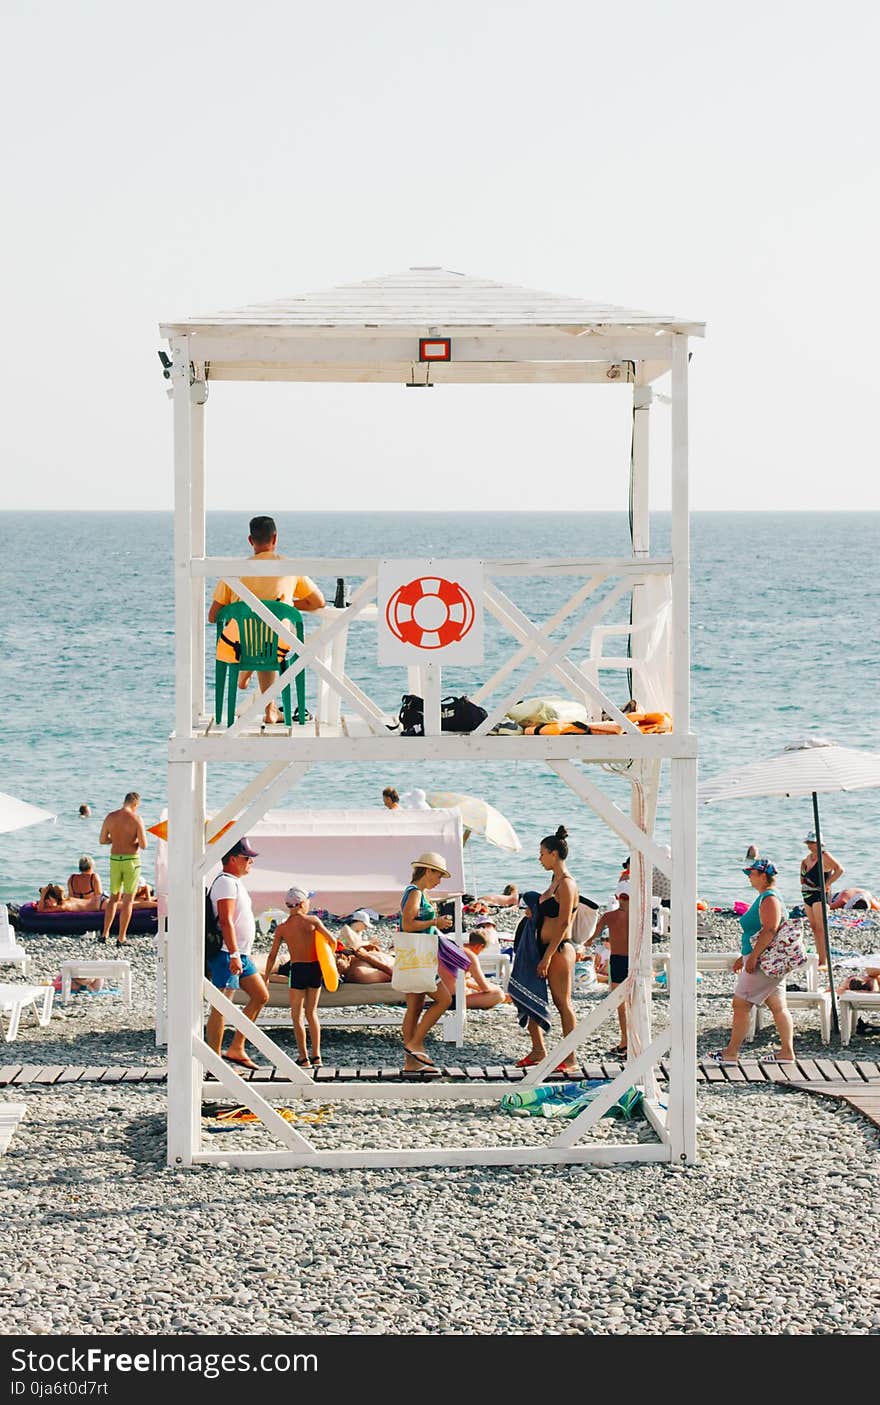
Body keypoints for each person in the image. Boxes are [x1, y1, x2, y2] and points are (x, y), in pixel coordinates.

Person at [207, 515, 325, 725]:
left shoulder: (234, 572)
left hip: (237, 645)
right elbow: (318, 602)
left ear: (250, 540)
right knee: (268, 636)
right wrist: (285, 606)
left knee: (256, 634)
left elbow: (213, 616)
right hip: (277, 641)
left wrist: (248, 608)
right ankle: (270, 710)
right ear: (275, 538)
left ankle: (249, 675)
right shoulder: (289, 568)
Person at [711, 857, 795, 1065]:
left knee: (740, 1004)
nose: (749, 877)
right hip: (767, 960)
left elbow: (770, 929)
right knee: (777, 1005)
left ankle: (731, 1053)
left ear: (763, 876)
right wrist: (745, 955)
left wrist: (753, 957)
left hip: (762, 962)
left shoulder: (769, 898)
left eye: (752, 874)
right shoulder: (767, 897)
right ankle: (786, 1052)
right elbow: (761, 932)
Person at [516, 826, 579, 1075]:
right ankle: (538, 1050)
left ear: (553, 854)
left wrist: (548, 956)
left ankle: (571, 1057)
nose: (539, 857)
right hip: (542, 949)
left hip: (558, 951)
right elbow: (549, 913)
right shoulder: (553, 882)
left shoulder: (566, 884)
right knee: (531, 996)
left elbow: (564, 923)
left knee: (562, 1003)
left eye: (542, 853)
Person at [206, 837, 268, 1070]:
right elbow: (225, 920)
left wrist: (239, 953)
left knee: (260, 995)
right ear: (232, 859)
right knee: (222, 1004)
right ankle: (213, 1061)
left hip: (240, 953)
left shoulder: (234, 882)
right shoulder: (225, 883)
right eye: (246, 857)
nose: (250, 861)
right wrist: (233, 953)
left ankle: (236, 1048)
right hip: (226, 953)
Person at [263, 886, 334, 1068]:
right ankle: (317, 1056)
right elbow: (331, 941)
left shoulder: (282, 928)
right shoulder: (313, 921)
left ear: (289, 905)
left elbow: (272, 955)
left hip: (298, 969)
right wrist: (329, 961)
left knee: (296, 1015)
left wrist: (266, 976)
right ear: (303, 903)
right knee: (312, 1013)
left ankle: (303, 1059)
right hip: (315, 968)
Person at [398, 852, 456, 1075]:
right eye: (438, 875)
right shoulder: (414, 893)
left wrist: (435, 922)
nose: (439, 880)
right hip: (418, 957)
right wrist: (436, 921)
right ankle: (416, 1044)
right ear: (428, 870)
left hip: (415, 957)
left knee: (414, 1008)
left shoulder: (417, 892)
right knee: (444, 999)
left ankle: (411, 1063)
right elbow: (408, 924)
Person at [98, 793, 148, 947]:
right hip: (131, 861)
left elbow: (102, 840)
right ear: (136, 804)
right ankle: (121, 937)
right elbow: (144, 844)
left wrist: (116, 839)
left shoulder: (110, 817)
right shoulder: (136, 819)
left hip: (115, 860)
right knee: (127, 901)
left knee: (113, 898)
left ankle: (104, 934)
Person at [588, 882, 631, 1056]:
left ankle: (624, 1041)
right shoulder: (638, 916)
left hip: (618, 960)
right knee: (636, 1001)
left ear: (617, 898)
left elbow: (592, 938)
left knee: (620, 1003)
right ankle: (638, 1041)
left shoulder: (609, 916)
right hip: (635, 960)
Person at [800, 832, 844, 968]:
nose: (810, 845)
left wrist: (827, 884)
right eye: (809, 843)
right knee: (814, 927)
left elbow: (839, 869)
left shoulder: (825, 856)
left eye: (812, 843)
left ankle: (824, 961)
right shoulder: (806, 859)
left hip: (820, 895)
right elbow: (802, 877)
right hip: (807, 894)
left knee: (821, 927)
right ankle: (820, 958)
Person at [462, 930, 507, 1009]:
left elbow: (465, 980)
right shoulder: (470, 956)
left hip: (450, 994)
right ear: (480, 946)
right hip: (457, 999)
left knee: (495, 990)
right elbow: (485, 987)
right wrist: (496, 989)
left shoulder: (460, 949)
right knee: (499, 995)